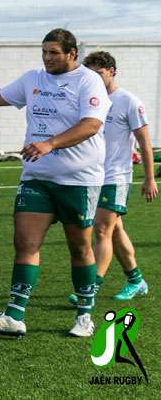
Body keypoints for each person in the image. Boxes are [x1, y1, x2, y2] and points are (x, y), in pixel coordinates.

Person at [0, 28, 110, 338]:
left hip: (79, 179)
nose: (47, 59)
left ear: (71, 53)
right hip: (37, 176)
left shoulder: (89, 81)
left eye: (54, 53)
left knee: (79, 247)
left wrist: (51, 143)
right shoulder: (34, 78)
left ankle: (84, 315)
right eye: (44, 52)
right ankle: (15, 315)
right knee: (25, 243)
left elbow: (91, 125)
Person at [65, 52, 156, 303]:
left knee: (102, 229)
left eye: (99, 73)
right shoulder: (88, 101)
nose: (94, 78)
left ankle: (92, 285)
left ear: (112, 71)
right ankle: (136, 280)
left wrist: (149, 178)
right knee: (114, 231)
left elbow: (145, 144)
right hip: (90, 176)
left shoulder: (128, 101)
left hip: (116, 176)